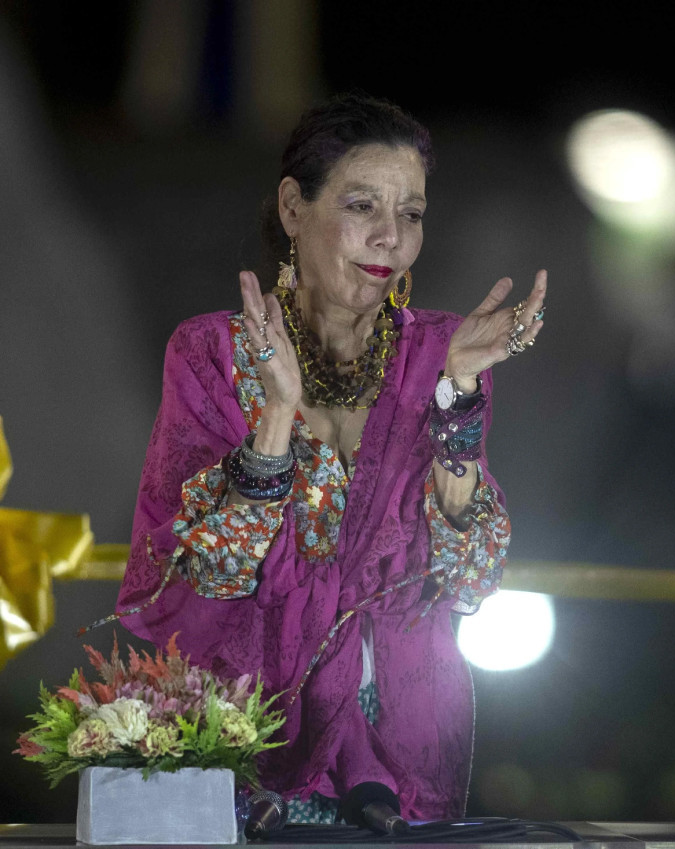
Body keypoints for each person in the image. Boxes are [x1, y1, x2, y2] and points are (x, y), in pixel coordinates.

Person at [115, 94, 548, 822]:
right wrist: (277, 415)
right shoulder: (213, 353)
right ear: (293, 207)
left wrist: (460, 398)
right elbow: (207, 571)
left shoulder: (442, 354)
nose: (390, 238)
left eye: (410, 214)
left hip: (401, 746)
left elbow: (470, 575)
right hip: (245, 735)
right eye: (362, 206)